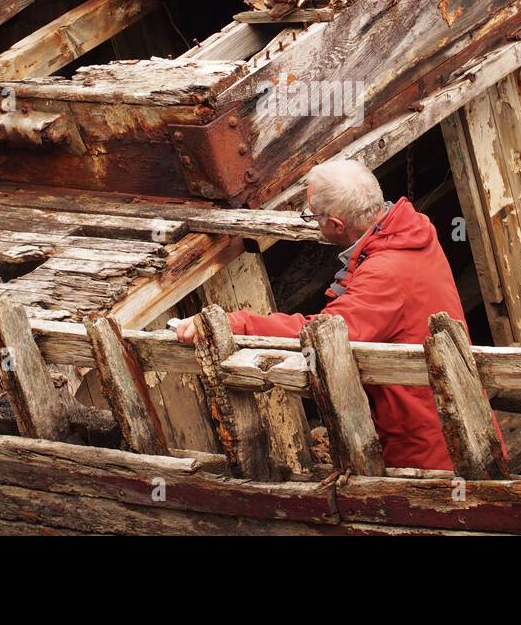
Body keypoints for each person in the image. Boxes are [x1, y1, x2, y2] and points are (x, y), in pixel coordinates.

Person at [176, 158, 493, 470]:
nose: (312, 222)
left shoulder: (384, 276)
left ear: (336, 225)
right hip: (458, 419)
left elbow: (323, 332)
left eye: (312, 216)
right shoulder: (409, 230)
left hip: (432, 448)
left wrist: (237, 323)